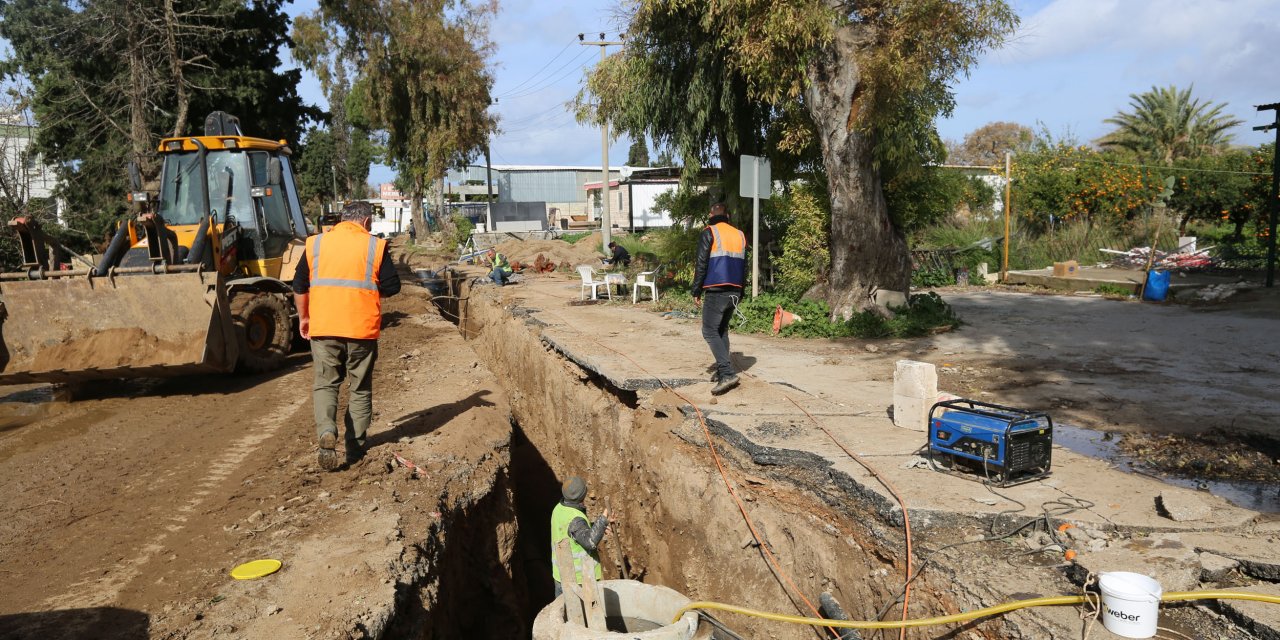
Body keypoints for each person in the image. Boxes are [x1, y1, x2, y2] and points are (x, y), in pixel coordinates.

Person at [293, 201, 401, 471]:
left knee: (326, 384)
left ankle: (326, 432)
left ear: (342, 219)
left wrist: (305, 317)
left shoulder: (315, 244)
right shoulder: (375, 246)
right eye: (371, 224)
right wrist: (369, 294)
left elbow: (299, 286)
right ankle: (355, 449)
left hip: (324, 328)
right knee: (360, 388)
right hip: (360, 330)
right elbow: (393, 286)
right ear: (365, 222)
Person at [691, 202, 746, 395]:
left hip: (716, 289)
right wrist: (742, 291)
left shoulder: (709, 232)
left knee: (709, 331)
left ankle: (727, 373)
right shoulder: (739, 234)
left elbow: (701, 262)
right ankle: (724, 368)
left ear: (710, 214)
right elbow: (744, 265)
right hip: (735, 290)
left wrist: (696, 290)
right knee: (721, 329)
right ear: (727, 216)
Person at [550, 476, 610, 597]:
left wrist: (598, 527)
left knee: (563, 612)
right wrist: (603, 519)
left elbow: (573, 532)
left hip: (560, 575)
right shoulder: (575, 517)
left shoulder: (559, 509)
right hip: (577, 581)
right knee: (581, 614)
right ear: (582, 496)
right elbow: (590, 541)